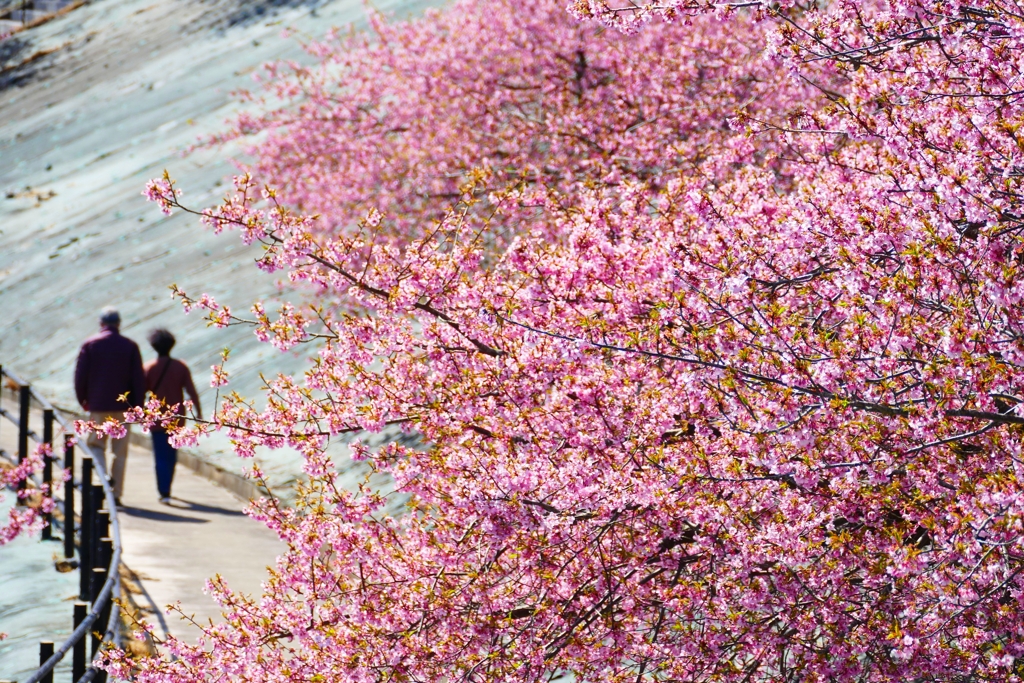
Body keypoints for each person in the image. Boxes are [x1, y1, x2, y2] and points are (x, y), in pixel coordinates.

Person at [74, 306, 146, 505]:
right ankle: (116, 494)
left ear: (101, 323)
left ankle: (102, 477)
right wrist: (137, 406)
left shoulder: (90, 344)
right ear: (119, 323)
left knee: (95, 445)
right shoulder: (130, 346)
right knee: (119, 451)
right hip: (123, 408)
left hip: (98, 405)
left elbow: (80, 376)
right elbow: (138, 379)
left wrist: (83, 400)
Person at [144, 328, 202, 504]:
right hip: (177, 418)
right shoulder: (180, 367)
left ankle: (164, 491)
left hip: (156, 418)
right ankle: (167, 486)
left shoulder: (149, 368)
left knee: (160, 455)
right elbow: (191, 391)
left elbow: (140, 392)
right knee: (171, 455)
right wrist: (198, 412)